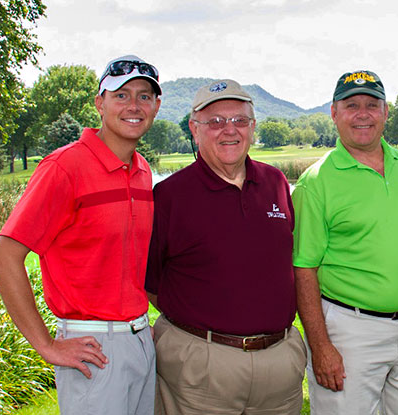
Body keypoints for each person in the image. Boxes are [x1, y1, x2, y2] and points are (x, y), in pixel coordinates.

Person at [0, 55, 161, 415]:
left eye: (144, 96)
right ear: (100, 103)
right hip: (92, 345)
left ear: (157, 106)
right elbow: (4, 260)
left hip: (141, 337)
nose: (134, 106)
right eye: (121, 95)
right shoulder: (64, 167)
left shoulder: (142, 171)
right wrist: (47, 346)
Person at [292, 70, 398, 414]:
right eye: (351, 105)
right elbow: (304, 268)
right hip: (351, 330)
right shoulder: (317, 182)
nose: (363, 113)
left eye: (372, 104)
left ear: (385, 112)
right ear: (334, 113)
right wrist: (320, 346)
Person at [145, 79, 305, 415]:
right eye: (215, 121)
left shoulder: (275, 182)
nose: (228, 130)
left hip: (278, 364)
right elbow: (151, 284)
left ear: (253, 127)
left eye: (239, 120)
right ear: (194, 129)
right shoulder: (170, 196)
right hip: (202, 367)